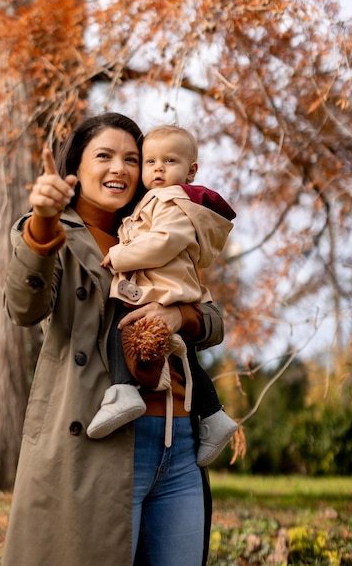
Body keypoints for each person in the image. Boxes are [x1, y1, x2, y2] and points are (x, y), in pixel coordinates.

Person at [2, 112, 227, 566]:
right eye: (104, 156)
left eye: (132, 159)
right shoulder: (48, 232)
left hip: (180, 442)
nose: (120, 169)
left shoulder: (154, 226)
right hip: (97, 439)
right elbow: (25, 309)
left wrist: (176, 314)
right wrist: (43, 223)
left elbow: (213, 321)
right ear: (76, 166)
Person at [87, 124, 238, 466]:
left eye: (169, 160)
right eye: (150, 161)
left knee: (121, 327)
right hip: (165, 283)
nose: (157, 168)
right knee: (184, 355)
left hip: (164, 285)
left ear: (191, 170)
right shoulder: (157, 199)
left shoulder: (174, 201)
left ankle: (124, 391)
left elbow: (163, 242)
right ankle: (213, 415)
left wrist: (120, 255)